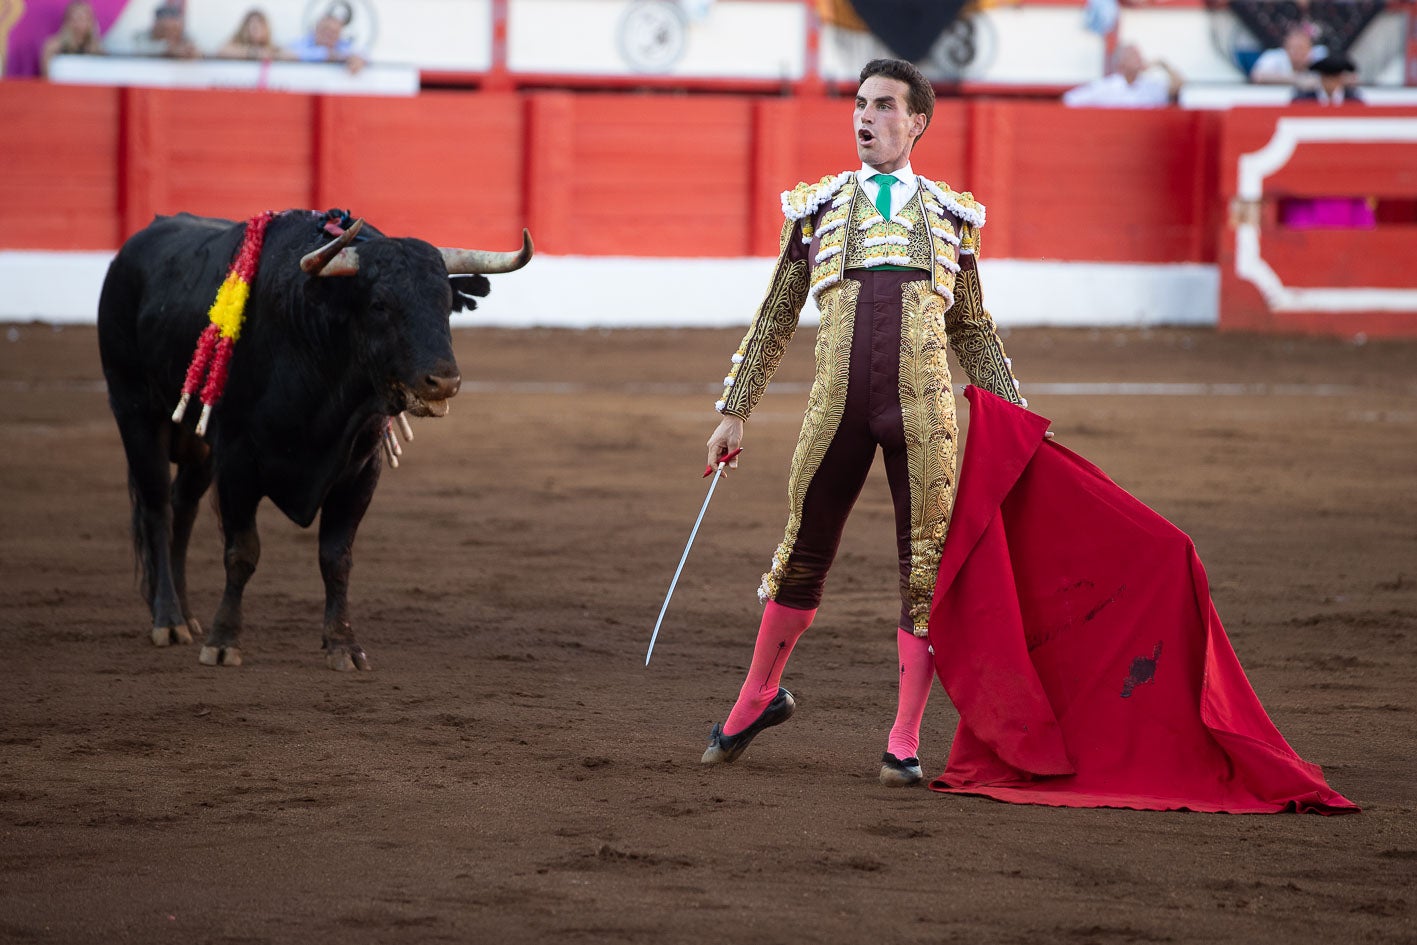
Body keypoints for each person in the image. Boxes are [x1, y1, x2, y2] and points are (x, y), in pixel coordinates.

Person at [700, 58, 1028, 787]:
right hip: (835, 408)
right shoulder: (816, 208)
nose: (865, 117)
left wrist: (1018, 419)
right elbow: (776, 315)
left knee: (924, 571)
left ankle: (904, 738)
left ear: (916, 123)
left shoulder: (949, 215)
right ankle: (756, 695)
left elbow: (972, 329)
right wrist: (734, 410)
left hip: (925, 412)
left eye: (883, 106)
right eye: (858, 104)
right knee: (800, 551)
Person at [1061, 43, 1183, 108]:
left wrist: (1163, 64)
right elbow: (1070, 100)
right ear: (1121, 63)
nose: (1139, 59)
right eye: (1133, 56)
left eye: (1139, 56)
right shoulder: (1106, 87)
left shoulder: (1150, 86)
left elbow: (1179, 85)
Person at [289, 4, 367, 73]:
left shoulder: (344, 46)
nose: (328, 35)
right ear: (316, 29)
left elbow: (362, 55)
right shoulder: (301, 43)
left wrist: (357, 59)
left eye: (333, 32)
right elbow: (287, 54)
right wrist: (325, 55)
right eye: (325, 30)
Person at [1249, 24, 1326, 91]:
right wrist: (1296, 80)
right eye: (1293, 48)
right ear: (1286, 48)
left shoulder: (1320, 56)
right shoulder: (1274, 56)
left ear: (1310, 48)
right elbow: (1257, 76)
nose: (1298, 52)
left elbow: (1334, 78)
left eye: (1301, 48)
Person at [40, 1, 105, 78]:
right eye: (76, 18)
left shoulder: (96, 49)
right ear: (67, 21)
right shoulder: (53, 47)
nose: (80, 22)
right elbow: (46, 79)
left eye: (84, 18)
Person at [123, 3, 199, 59]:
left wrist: (191, 51)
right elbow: (141, 48)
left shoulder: (187, 38)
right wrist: (168, 49)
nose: (170, 33)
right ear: (155, 25)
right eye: (165, 29)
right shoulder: (140, 37)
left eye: (175, 29)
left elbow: (198, 51)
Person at [216, 8, 292, 61]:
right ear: (244, 28)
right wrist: (253, 53)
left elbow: (291, 55)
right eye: (252, 25)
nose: (256, 28)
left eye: (260, 24)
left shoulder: (271, 48)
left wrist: (274, 55)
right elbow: (222, 51)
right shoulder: (236, 43)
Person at [1293, 53, 1363, 105]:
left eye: (1334, 77)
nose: (1330, 82)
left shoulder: (1353, 100)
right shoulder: (1304, 100)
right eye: (1327, 77)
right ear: (1321, 78)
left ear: (1341, 78)